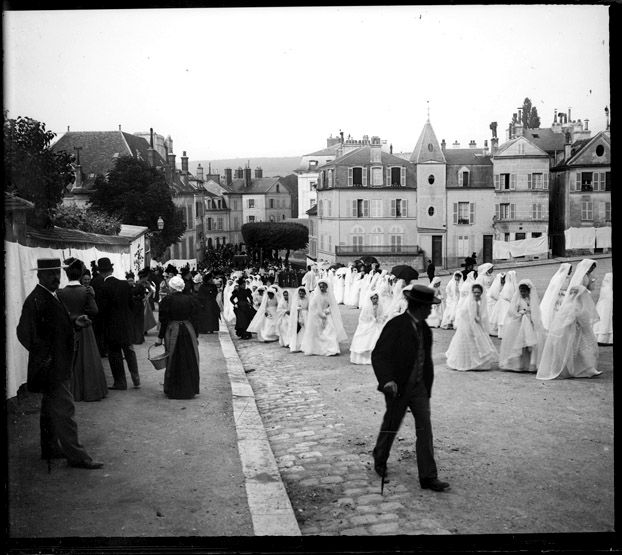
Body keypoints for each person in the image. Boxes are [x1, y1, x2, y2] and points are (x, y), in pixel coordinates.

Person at [17, 258, 103, 469]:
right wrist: (44, 355)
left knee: (49, 409)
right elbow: (23, 333)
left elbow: (55, 328)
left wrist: (74, 322)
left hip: (57, 364)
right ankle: (78, 456)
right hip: (54, 367)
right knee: (65, 410)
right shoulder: (37, 299)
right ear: (40, 276)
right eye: (50, 274)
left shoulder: (50, 296)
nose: (55, 277)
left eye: (57, 273)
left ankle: (50, 448)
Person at [371, 284, 449, 492]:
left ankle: (428, 477)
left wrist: (425, 384)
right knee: (392, 424)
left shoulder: (425, 329)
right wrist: (387, 380)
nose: (431, 311)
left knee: (425, 430)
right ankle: (380, 457)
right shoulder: (396, 325)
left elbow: (425, 360)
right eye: (428, 307)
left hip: (419, 388)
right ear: (418, 307)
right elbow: (379, 355)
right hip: (398, 387)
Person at [57, 258, 108, 402]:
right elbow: (95, 310)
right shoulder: (85, 291)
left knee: (71, 360)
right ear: (80, 275)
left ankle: (72, 391)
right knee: (87, 359)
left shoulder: (60, 292)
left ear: (67, 275)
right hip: (85, 328)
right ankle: (89, 391)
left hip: (69, 329)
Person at [536, 284, 601, 380]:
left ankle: (588, 368)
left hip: (581, 332)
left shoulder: (576, 305)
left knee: (585, 351)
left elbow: (584, 318)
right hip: (571, 333)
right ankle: (581, 369)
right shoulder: (570, 305)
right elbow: (565, 320)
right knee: (575, 352)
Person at [97, 257, 141, 390]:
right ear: (112, 269)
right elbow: (131, 305)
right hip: (126, 325)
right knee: (129, 351)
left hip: (111, 327)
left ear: (100, 272)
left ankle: (120, 382)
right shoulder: (124, 284)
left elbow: (101, 311)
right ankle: (136, 378)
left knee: (114, 354)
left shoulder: (102, 288)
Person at [155, 275, 201, 399]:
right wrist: (195, 335)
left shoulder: (167, 300)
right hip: (188, 329)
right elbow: (195, 319)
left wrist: (159, 337)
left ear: (172, 288)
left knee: (173, 356)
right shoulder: (191, 299)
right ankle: (189, 389)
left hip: (173, 329)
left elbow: (163, 320)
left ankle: (174, 389)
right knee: (189, 356)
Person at [446, 283, 498, 371]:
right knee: (469, 342)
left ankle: (476, 363)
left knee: (476, 341)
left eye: (479, 292)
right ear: (472, 292)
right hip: (467, 325)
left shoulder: (477, 302)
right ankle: (468, 363)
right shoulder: (470, 301)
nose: (477, 294)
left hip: (474, 323)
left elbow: (477, 314)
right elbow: (465, 314)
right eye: (475, 292)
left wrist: (478, 320)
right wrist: (473, 321)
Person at [498, 280, 545, 372]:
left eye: (525, 291)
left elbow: (536, 312)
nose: (523, 293)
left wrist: (531, 317)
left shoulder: (532, 300)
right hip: (518, 324)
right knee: (519, 344)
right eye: (521, 291)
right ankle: (518, 364)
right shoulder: (517, 299)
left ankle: (528, 365)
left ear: (528, 291)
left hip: (530, 324)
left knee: (529, 345)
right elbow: (511, 311)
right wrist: (520, 313)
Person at [301, 279, 347, 356]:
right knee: (318, 333)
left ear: (326, 287)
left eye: (323, 287)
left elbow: (332, 305)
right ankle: (319, 348)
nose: (322, 288)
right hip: (317, 316)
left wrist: (327, 310)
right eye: (320, 287)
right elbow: (312, 306)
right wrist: (319, 313)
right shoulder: (315, 295)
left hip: (327, 315)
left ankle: (332, 349)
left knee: (330, 330)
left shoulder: (329, 295)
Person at [350, 291, 386, 365]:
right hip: (368, 324)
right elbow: (362, 318)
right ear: (371, 299)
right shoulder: (367, 307)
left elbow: (381, 315)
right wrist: (371, 319)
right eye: (373, 298)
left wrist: (379, 319)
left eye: (376, 298)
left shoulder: (380, 306)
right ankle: (364, 357)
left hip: (377, 324)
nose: (375, 300)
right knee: (367, 338)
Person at [539, 263, 572, 332]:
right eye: (570, 270)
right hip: (560, 297)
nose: (571, 272)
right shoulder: (560, 278)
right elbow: (556, 289)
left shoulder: (566, 277)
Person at [489, 270, 517, 339]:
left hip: (502, 302)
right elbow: (508, 296)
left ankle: (500, 332)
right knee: (504, 318)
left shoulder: (507, 284)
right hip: (506, 303)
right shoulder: (510, 285)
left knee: (501, 317)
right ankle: (504, 333)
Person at [126, 272, 147, 345]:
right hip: (130, 308)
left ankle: (139, 339)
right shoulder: (125, 288)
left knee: (139, 323)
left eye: (132, 280)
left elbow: (143, 296)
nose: (130, 282)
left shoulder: (139, 286)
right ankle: (132, 339)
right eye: (129, 281)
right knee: (132, 323)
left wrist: (136, 297)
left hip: (139, 307)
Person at [288, 287, 310, 352]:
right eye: (300, 293)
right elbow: (293, 308)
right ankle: (299, 344)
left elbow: (310, 308)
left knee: (306, 328)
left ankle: (306, 344)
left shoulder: (307, 300)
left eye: (302, 293)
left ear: (305, 293)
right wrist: (296, 308)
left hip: (306, 315)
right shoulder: (297, 300)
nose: (301, 295)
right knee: (300, 328)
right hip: (299, 314)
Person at [593, 272, 613, 345]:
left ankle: (600, 337)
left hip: (602, 306)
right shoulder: (608, 290)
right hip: (607, 307)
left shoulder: (604, 288)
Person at [138, 268, 158, 334]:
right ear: (143, 277)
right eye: (146, 277)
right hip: (139, 300)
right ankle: (140, 328)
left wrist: (147, 297)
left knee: (146, 316)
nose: (147, 278)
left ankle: (145, 329)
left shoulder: (147, 282)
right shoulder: (137, 282)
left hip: (145, 301)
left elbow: (151, 291)